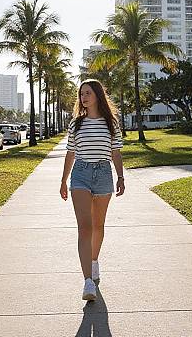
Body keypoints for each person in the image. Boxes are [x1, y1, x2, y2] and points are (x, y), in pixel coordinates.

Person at [60, 79, 125, 301]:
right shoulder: (76, 124)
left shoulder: (111, 123)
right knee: (85, 228)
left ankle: (94, 260)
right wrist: (63, 180)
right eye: (81, 94)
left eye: (87, 93)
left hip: (104, 174)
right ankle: (88, 281)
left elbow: (115, 152)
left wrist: (121, 177)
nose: (83, 97)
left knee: (98, 226)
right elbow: (70, 153)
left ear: (97, 95)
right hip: (80, 174)